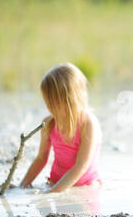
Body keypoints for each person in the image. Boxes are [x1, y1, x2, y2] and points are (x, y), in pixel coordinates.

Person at [20, 63, 102, 193]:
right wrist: (23, 185)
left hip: (85, 187)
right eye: (48, 101)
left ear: (69, 99)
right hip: (56, 182)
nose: (49, 106)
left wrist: (54, 191)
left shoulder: (87, 123)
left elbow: (82, 165)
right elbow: (41, 158)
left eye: (52, 101)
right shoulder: (49, 123)